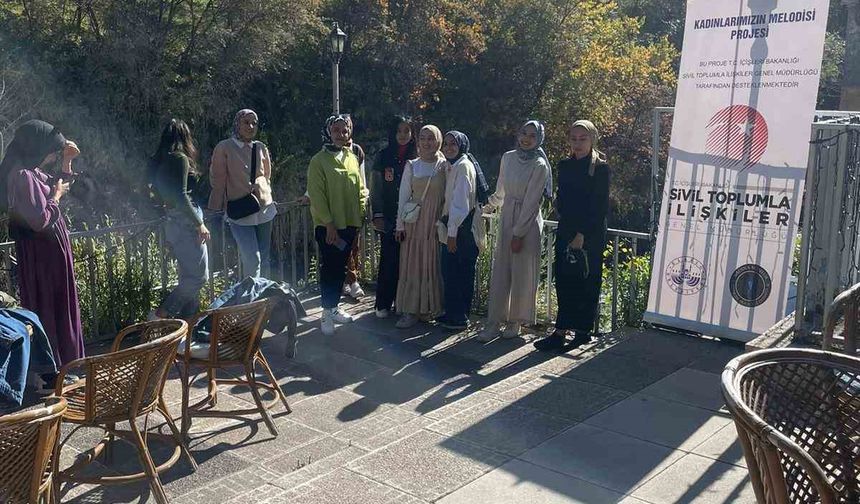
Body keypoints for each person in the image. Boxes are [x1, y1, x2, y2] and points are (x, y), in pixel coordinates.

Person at [0, 120, 85, 375]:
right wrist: (57, 197)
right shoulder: (22, 176)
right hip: (43, 256)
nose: (51, 156)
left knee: (58, 304)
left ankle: (64, 366)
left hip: (48, 253)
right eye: (51, 150)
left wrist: (67, 162)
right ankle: (53, 371)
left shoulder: (31, 171)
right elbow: (40, 219)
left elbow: (56, 184)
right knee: (50, 304)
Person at [534, 119, 610, 352]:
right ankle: (560, 330)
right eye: (574, 139)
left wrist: (582, 234)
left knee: (587, 281)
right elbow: (563, 197)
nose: (578, 143)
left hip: (589, 233)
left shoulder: (600, 168)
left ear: (592, 139)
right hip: (566, 228)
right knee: (565, 280)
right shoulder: (565, 165)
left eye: (583, 139)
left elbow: (599, 206)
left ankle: (582, 331)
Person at [307, 115, 367, 336]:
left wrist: (359, 215)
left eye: (344, 130)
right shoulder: (318, 161)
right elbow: (317, 195)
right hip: (328, 227)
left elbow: (360, 189)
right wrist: (329, 224)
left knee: (341, 267)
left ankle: (333, 307)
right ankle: (325, 311)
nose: (341, 135)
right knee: (329, 268)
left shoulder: (352, 156)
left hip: (349, 224)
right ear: (328, 132)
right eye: (336, 130)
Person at [148, 119, 210, 319]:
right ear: (184, 137)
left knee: (187, 275)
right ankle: (162, 313)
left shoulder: (158, 161)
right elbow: (182, 195)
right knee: (199, 277)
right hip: (186, 220)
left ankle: (188, 323)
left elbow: (150, 191)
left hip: (172, 221)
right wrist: (199, 224)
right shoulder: (180, 158)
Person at [208, 109, 275, 278]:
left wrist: (262, 190)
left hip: (264, 209)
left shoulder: (260, 147)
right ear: (237, 123)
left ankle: (263, 298)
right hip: (240, 210)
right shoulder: (224, 148)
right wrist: (216, 208)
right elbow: (218, 181)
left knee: (265, 258)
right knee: (252, 259)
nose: (251, 126)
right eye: (246, 122)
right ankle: (251, 300)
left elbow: (267, 175)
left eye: (254, 123)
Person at [394, 125, 447, 329]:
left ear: (438, 141)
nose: (427, 142)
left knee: (431, 265)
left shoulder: (444, 166)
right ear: (418, 142)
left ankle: (427, 308)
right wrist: (400, 225)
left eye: (431, 139)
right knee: (412, 265)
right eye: (423, 138)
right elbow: (403, 196)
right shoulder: (412, 165)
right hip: (414, 223)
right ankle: (409, 310)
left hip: (433, 223)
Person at [370, 116, 416, 318]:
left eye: (407, 130)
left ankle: (404, 302)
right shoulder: (383, 156)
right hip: (389, 217)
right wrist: (377, 214)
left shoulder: (419, 155)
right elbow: (376, 188)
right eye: (399, 131)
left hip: (412, 218)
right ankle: (383, 303)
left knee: (409, 262)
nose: (403, 135)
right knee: (388, 260)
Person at [437, 131, 479, 330]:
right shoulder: (454, 165)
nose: (448, 147)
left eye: (453, 143)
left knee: (458, 274)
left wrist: (452, 234)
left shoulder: (463, 167)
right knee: (453, 273)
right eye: (445, 144)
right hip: (459, 229)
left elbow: (460, 204)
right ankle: (453, 313)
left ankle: (459, 317)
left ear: (461, 145)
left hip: (461, 231)